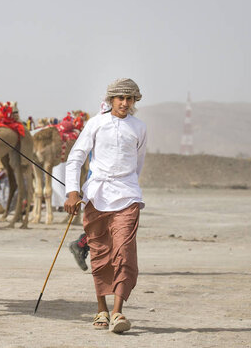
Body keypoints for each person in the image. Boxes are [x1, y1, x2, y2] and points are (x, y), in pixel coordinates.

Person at [64, 78, 147, 334]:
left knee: (124, 251)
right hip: (96, 195)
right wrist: (72, 192)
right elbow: (76, 157)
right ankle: (101, 308)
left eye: (129, 98)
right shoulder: (96, 123)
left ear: (134, 102)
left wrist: (130, 185)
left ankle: (117, 311)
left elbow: (138, 163)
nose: (124, 103)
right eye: (120, 98)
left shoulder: (139, 127)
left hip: (128, 195)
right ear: (111, 99)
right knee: (100, 253)